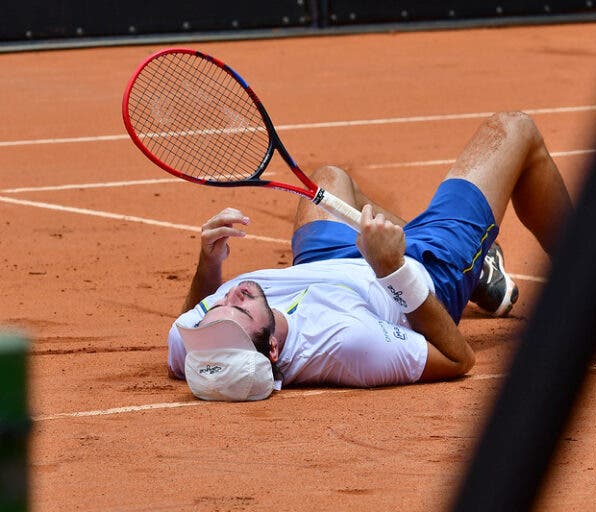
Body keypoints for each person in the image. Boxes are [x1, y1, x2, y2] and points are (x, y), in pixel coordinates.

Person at [167, 112, 573, 401]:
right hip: (420, 274)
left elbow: (200, 310)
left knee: (330, 178)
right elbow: (457, 357)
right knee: (515, 130)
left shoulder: (198, 344)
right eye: (237, 311)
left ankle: (471, 269)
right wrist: (392, 269)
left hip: (323, 264)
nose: (228, 295)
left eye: (213, 307)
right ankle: (588, 275)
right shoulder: (348, 344)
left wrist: (209, 265)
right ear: (273, 349)